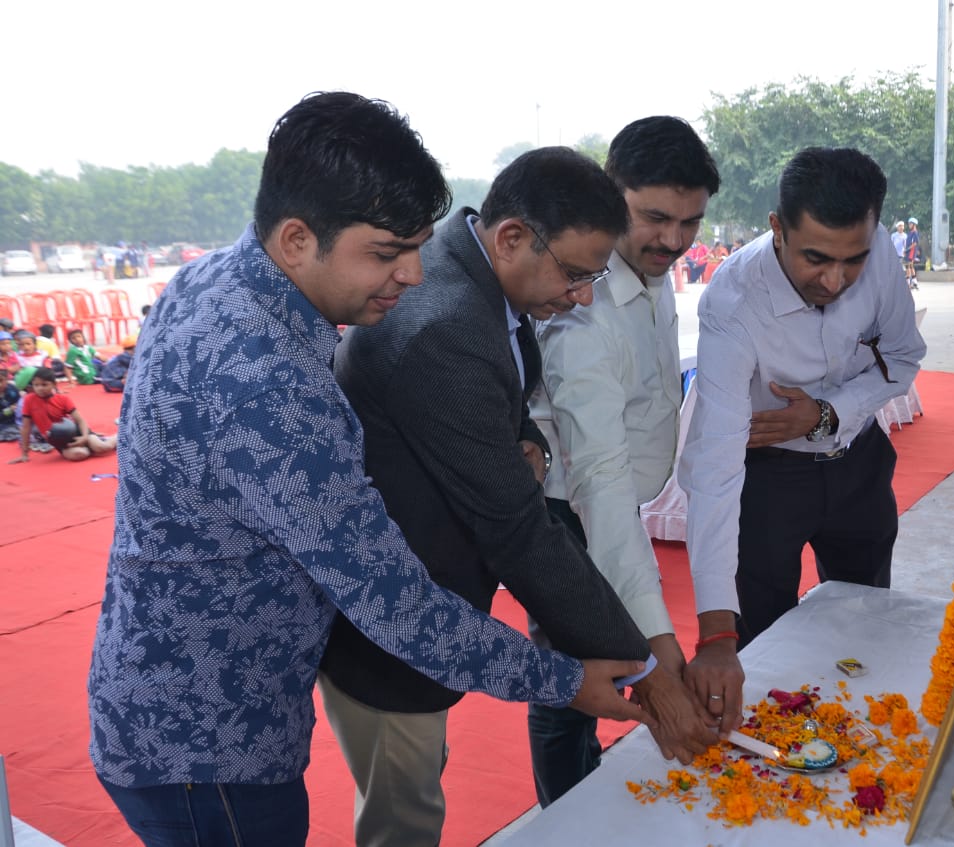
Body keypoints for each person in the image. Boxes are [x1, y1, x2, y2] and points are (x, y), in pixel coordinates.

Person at [85, 92, 648, 847]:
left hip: (179, 701)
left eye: (417, 246)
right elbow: (399, 607)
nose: (413, 275)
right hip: (207, 744)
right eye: (386, 252)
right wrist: (567, 681)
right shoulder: (270, 384)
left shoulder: (221, 281)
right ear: (295, 239)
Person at [318, 145, 705, 846]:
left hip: (433, 590)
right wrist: (646, 665)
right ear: (513, 237)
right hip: (390, 627)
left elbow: (510, 389)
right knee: (404, 817)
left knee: (417, 780)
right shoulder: (445, 326)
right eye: (578, 274)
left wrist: (531, 440)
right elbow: (520, 531)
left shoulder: (478, 274)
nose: (584, 296)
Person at [678, 147, 927, 726]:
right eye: (815, 258)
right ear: (777, 230)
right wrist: (716, 628)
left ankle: (859, 746)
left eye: (853, 261)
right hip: (767, 476)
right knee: (762, 640)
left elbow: (903, 356)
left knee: (867, 621)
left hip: (858, 464)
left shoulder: (879, 254)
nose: (835, 280)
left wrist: (826, 413)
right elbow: (714, 462)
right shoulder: (732, 302)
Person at [529, 116, 722, 805]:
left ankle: (585, 783)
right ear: (610, 194)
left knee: (595, 676)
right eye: (655, 217)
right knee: (567, 684)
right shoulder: (581, 306)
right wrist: (660, 643)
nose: (673, 239)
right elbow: (600, 485)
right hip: (569, 510)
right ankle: (567, 813)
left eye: (690, 221)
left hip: (612, 503)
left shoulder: (647, 266)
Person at [8, 367, 117, 462]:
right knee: (80, 454)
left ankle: (118, 436)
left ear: (54, 384)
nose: (40, 388)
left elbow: (80, 420)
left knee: (103, 447)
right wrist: (24, 454)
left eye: (44, 384)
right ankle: (90, 447)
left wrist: (84, 437)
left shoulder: (62, 399)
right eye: (36, 385)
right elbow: (25, 427)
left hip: (77, 432)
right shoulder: (29, 400)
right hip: (60, 440)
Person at [903, 217, 921, 290]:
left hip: (911, 252)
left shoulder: (915, 233)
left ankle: (908, 283)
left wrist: (906, 250)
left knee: (908, 267)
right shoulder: (910, 233)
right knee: (911, 267)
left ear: (914, 225)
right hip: (908, 252)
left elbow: (915, 243)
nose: (909, 225)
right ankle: (915, 282)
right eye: (909, 224)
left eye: (910, 224)